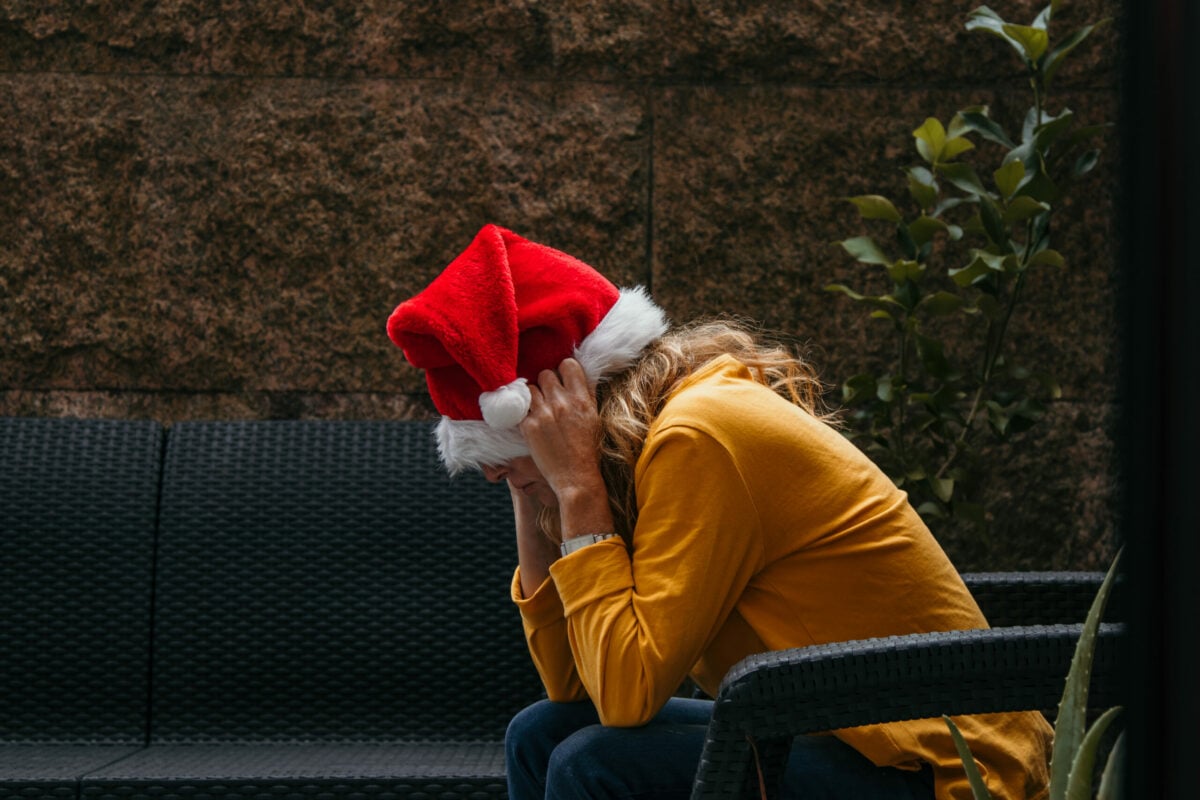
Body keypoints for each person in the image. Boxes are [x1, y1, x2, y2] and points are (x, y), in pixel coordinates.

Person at [386, 224, 1054, 799]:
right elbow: (571, 685)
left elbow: (624, 697)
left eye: (498, 449)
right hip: (831, 729)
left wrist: (575, 488)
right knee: (540, 733)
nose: (492, 472)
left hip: (943, 773)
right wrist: (530, 483)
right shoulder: (643, 445)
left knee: (595, 765)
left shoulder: (699, 436)